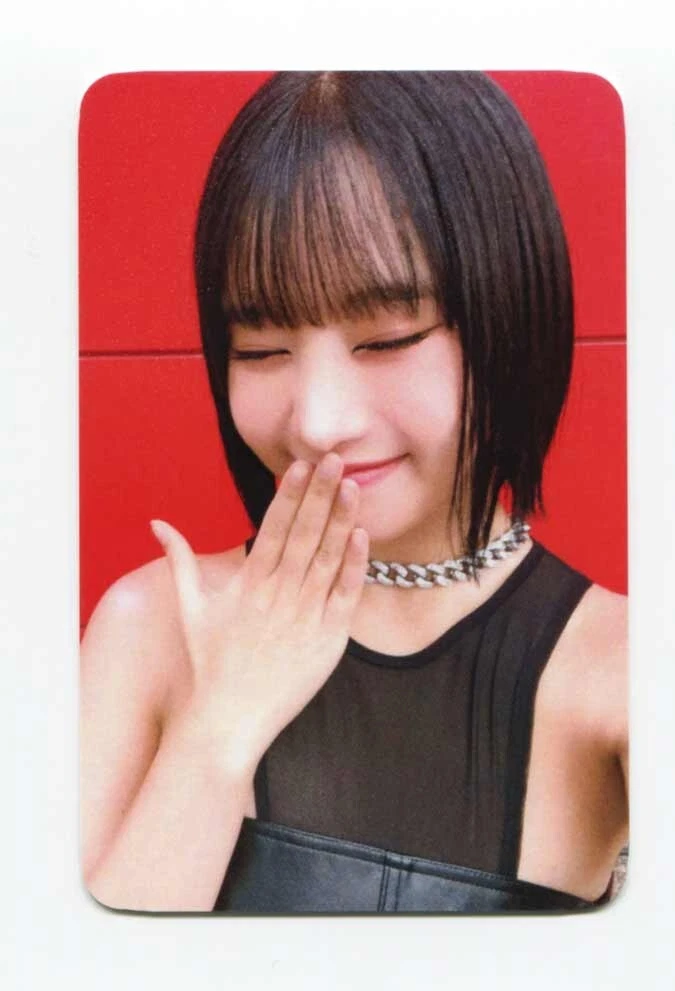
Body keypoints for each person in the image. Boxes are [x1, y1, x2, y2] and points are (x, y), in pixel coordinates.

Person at [80, 71, 628, 913]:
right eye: (261, 348)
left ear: (512, 314)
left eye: (388, 338)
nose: (318, 421)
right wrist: (221, 726)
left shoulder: (627, 665)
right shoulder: (151, 628)